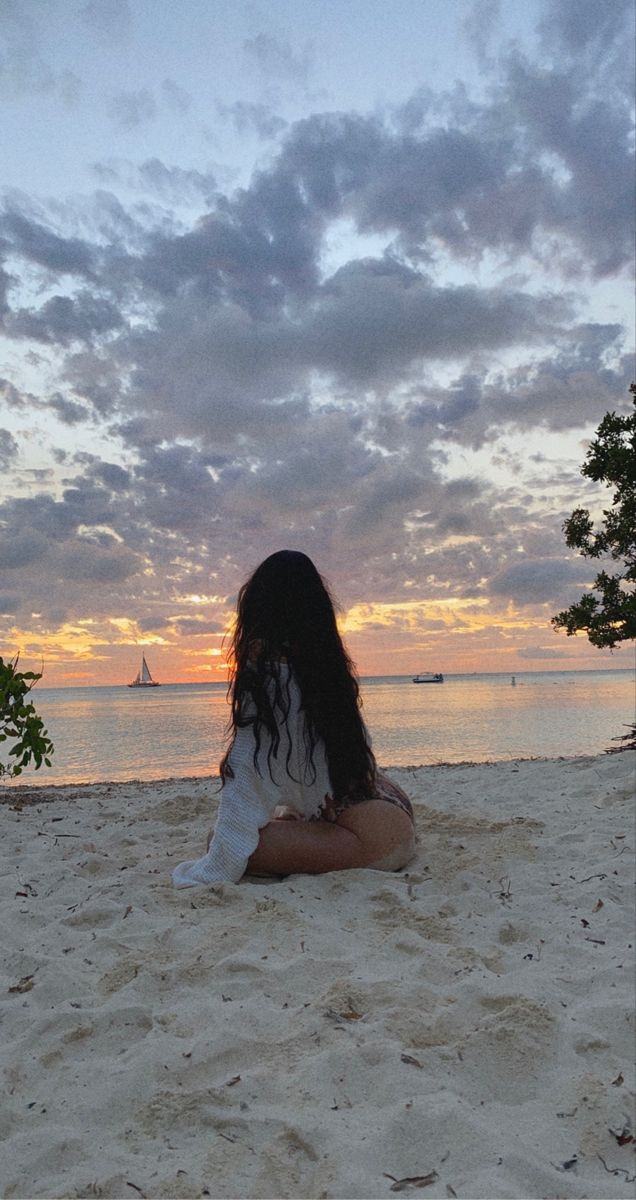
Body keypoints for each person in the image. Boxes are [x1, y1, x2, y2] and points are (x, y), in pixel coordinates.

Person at [172, 550, 415, 887]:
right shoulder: (329, 670)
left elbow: (245, 781)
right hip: (391, 806)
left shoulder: (273, 676)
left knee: (222, 841)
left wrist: (220, 859)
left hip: (370, 841)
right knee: (268, 825)